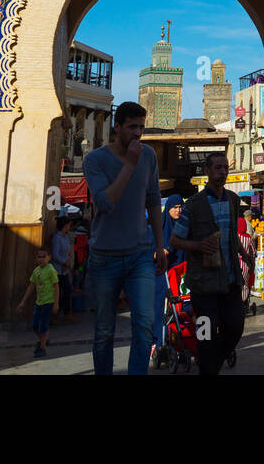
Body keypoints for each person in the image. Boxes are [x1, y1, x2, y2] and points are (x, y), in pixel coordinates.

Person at [81, 101, 166, 375]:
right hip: (104, 258)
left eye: (141, 127)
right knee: (104, 331)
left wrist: (160, 246)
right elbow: (106, 203)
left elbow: (153, 200)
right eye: (132, 127)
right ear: (117, 127)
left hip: (140, 254)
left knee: (144, 325)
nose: (138, 133)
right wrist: (129, 164)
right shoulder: (94, 160)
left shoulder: (149, 156)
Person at [170, 153, 254, 375]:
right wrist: (198, 246)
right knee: (206, 335)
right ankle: (208, 366)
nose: (223, 172)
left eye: (225, 167)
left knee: (235, 327)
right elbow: (175, 240)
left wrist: (243, 254)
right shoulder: (194, 205)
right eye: (218, 167)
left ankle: (210, 366)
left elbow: (231, 238)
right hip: (203, 286)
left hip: (230, 282)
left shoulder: (233, 200)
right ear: (207, 171)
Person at [153, 193, 185, 354]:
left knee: (183, 307)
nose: (178, 210)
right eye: (175, 207)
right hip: (165, 275)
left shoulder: (184, 226)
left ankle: (182, 340)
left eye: (180, 207)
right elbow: (155, 249)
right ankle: (160, 342)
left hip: (182, 274)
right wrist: (161, 252)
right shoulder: (162, 227)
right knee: (163, 308)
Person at [16, 248, 59, 357]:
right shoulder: (36, 271)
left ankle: (42, 348)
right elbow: (31, 286)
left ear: (49, 257)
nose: (41, 259)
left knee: (43, 326)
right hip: (38, 303)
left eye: (43, 256)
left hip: (48, 302)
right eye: (39, 257)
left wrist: (56, 303)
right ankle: (43, 340)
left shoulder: (51, 270)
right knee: (34, 325)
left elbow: (56, 287)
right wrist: (23, 302)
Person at [51, 218, 77, 323]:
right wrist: (64, 262)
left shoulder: (65, 237)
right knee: (57, 293)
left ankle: (66, 314)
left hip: (65, 270)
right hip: (57, 270)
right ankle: (54, 315)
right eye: (68, 225)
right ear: (64, 225)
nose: (69, 227)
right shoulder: (57, 238)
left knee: (67, 291)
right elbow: (55, 254)